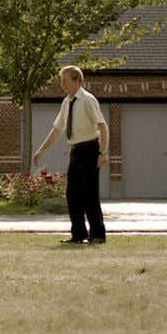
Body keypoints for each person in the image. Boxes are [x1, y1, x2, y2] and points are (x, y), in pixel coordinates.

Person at [32, 65, 109, 245]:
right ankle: (78, 235)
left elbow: (103, 127)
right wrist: (41, 150)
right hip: (76, 151)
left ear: (76, 80)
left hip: (91, 149)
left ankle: (97, 235)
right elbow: (57, 129)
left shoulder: (88, 100)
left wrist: (103, 153)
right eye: (61, 81)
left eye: (65, 80)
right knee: (73, 194)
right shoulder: (66, 102)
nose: (62, 84)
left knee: (90, 194)